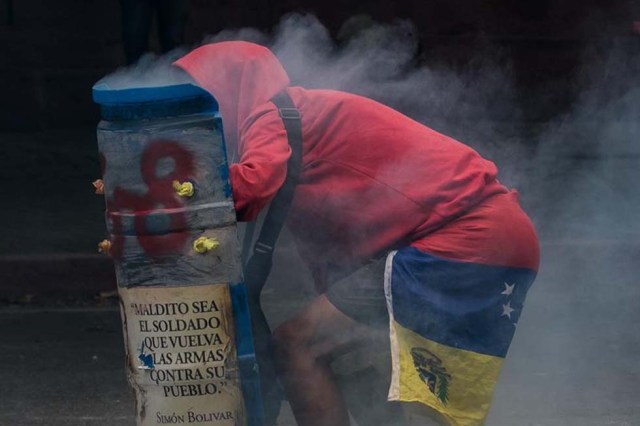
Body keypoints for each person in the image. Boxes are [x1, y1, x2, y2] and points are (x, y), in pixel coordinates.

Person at [175, 41, 540, 426]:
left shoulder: (271, 116)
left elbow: (249, 187)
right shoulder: (296, 120)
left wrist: (169, 187)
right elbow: (335, 257)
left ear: (229, 88)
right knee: (353, 356)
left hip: (467, 235)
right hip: (490, 233)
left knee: (298, 344)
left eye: (201, 96)